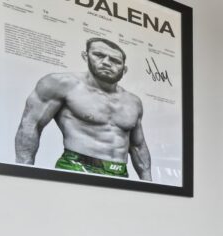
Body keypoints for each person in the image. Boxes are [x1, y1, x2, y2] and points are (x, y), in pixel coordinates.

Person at [14, 37, 150, 179]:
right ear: (85, 56)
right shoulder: (61, 84)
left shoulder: (133, 101)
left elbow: (138, 146)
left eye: (115, 61)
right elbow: (30, 125)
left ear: (124, 69)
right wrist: (23, 174)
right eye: (99, 55)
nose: (106, 62)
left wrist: (148, 183)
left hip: (120, 173)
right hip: (76, 167)